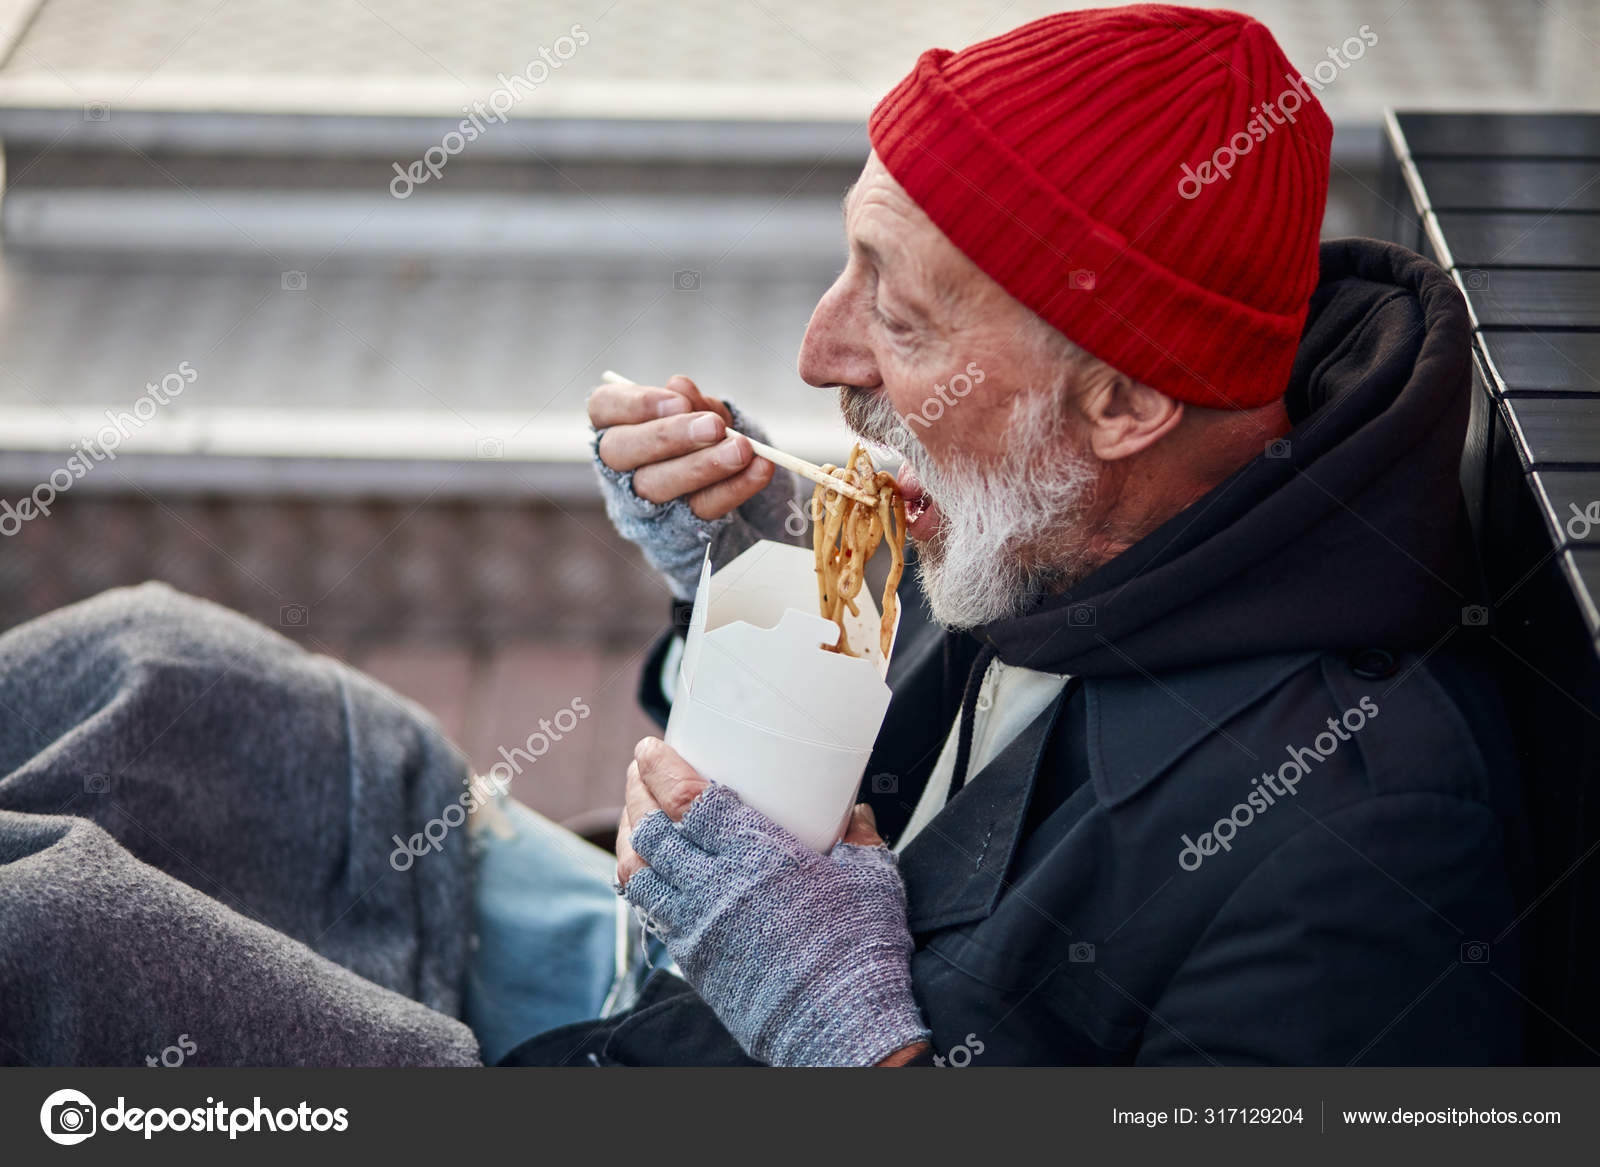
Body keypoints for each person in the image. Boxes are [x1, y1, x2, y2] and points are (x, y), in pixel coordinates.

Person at [0, 7, 1523, 1068]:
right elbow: (807, 787)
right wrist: (753, 587)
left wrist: (856, 1048)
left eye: (898, 312)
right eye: (848, 265)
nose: (817, 353)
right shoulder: (1073, 504)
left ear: (1121, 399)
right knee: (149, 667)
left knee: (55, 946)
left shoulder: (1353, 831)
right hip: (639, 980)